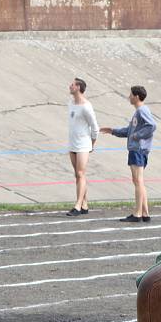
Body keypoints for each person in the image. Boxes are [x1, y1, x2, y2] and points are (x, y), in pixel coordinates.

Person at [100, 86, 157, 223]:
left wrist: (137, 136)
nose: (129, 97)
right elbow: (129, 131)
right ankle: (144, 212)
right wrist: (113, 131)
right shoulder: (140, 111)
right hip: (138, 149)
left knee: (137, 181)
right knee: (139, 181)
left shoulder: (142, 110)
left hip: (137, 149)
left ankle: (137, 214)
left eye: (131, 94)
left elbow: (152, 126)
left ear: (137, 96)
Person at [66, 77, 99, 217]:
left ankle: (78, 205)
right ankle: (84, 203)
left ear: (78, 87)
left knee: (80, 173)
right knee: (78, 175)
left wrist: (92, 144)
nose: (70, 86)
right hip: (72, 143)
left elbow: (94, 127)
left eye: (72, 84)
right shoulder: (71, 103)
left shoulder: (86, 106)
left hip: (83, 144)